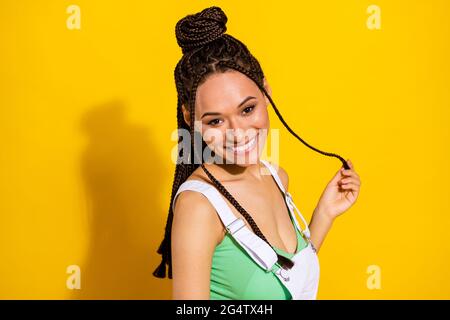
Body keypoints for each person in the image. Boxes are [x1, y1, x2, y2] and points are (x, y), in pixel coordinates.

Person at [153, 6, 361, 300]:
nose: (238, 133)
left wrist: (325, 213)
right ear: (190, 119)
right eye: (215, 121)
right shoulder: (199, 207)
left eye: (247, 109)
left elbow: (289, 281)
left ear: (266, 92)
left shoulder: (276, 177)